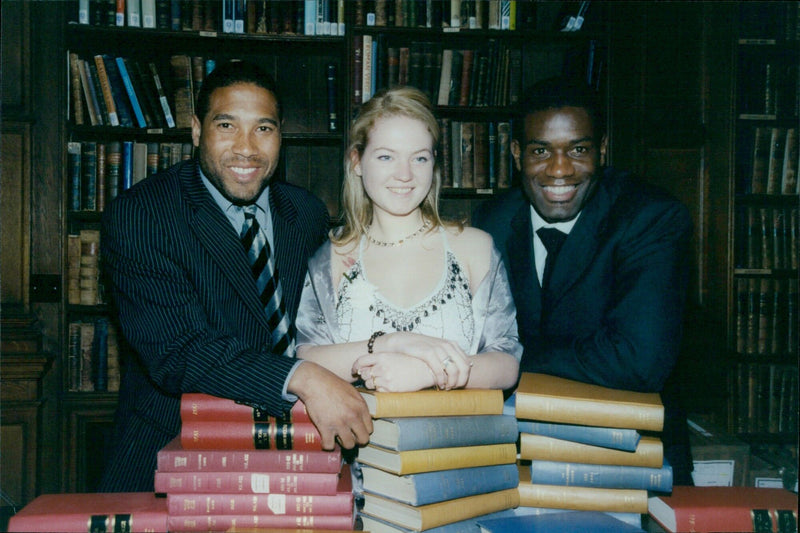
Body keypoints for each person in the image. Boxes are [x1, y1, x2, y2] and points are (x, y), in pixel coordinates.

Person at [98, 60, 372, 492]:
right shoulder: (142, 215)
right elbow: (179, 350)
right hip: (178, 447)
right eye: (226, 125)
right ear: (196, 130)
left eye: (264, 128)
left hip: (304, 445)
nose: (247, 147)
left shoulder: (305, 213)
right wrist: (301, 376)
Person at [472, 76, 694, 484]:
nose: (560, 169)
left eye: (578, 149)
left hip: (630, 459)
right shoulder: (488, 225)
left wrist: (506, 358)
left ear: (602, 150)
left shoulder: (652, 219)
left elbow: (638, 361)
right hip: (513, 457)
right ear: (517, 153)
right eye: (541, 151)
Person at [295, 86, 521, 393]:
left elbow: (507, 360)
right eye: (386, 156)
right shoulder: (331, 258)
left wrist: (428, 371)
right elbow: (306, 357)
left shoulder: (475, 247)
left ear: (434, 164)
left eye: (419, 159)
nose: (405, 175)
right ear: (357, 161)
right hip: (363, 436)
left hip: (460, 437)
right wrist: (390, 343)